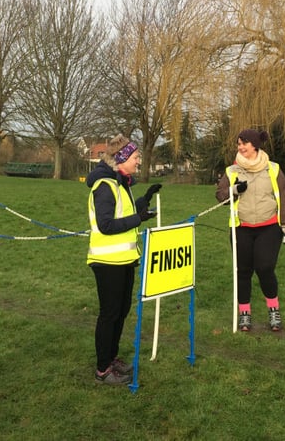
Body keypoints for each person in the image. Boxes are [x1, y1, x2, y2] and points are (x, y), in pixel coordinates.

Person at [86, 134, 161, 385]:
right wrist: (140, 219)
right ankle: (102, 369)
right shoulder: (105, 186)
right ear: (122, 158)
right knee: (109, 314)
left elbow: (126, 213)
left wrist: (145, 200)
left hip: (125, 259)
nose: (139, 161)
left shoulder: (121, 184)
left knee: (121, 312)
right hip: (107, 262)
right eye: (136, 157)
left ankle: (112, 357)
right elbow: (106, 225)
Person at [215, 129, 285, 332]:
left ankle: (273, 310)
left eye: (244, 143)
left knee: (265, 268)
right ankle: (244, 313)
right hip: (241, 228)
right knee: (243, 271)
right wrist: (233, 191)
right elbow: (220, 195)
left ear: (255, 146)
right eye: (239, 144)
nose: (240, 147)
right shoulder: (232, 171)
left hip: (268, 228)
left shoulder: (273, 169)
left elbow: (283, 198)